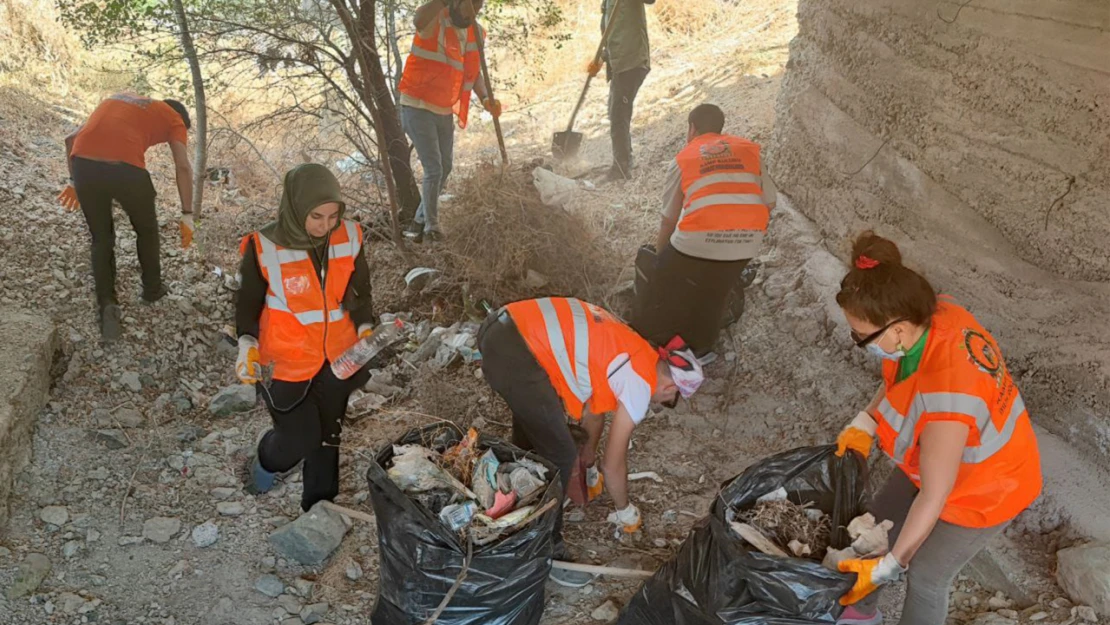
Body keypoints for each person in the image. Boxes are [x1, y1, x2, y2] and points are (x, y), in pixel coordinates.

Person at [831, 232, 1042, 625]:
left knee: (927, 575)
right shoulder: (933, 315)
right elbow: (901, 379)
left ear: (895, 329)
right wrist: (867, 419)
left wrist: (893, 563)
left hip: (988, 488)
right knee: (875, 528)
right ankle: (858, 615)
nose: (859, 342)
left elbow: (935, 493)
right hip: (937, 457)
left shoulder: (947, 397)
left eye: (861, 338)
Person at [477, 297, 704, 586]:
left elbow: (593, 412)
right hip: (519, 351)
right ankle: (548, 552)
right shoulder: (639, 383)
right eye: (666, 401)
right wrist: (625, 511)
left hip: (502, 329)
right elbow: (615, 464)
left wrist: (589, 461)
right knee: (559, 456)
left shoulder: (634, 348)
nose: (656, 403)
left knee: (532, 437)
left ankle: (508, 506)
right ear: (670, 386)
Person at [234, 164, 376, 513]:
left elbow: (359, 294)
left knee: (328, 436)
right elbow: (247, 302)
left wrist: (365, 329)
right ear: (296, 207)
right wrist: (246, 344)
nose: (326, 225)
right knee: (300, 436)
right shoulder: (263, 245)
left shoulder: (350, 236)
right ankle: (267, 462)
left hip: (339, 356)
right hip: (287, 361)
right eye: (316, 216)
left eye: (333, 216)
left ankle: (318, 508)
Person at [631, 103, 777, 360]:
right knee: (715, 293)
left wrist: (661, 259)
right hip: (748, 241)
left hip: (695, 243)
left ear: (692, 128)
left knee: (666, 282)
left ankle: (655, 340)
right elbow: (770, 202)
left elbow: (669, 219)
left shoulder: (685, 158)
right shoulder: (749, 151)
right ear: (721, 128)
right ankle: (702, 350)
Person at [58, 94, 195, 342]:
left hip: (83, 164)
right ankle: (152, 290)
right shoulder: (174, 119)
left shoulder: (118, 99)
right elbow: (183, 166)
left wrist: (73, 181)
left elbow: (70, 139)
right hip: (126, 168)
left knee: (101, 238)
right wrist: (187, 214)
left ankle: (108, 308)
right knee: (146, 230)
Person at [399, 0, 502, 243]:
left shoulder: (476, 32)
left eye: (478, 7)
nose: (472, 12)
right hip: (416, 105)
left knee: (446, 166)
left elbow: (474, 72)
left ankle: (419, 222)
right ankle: (431, 229)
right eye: (469, 5)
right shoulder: (435, 17)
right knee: (434, 168)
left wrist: (487, 98)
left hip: (443, 108)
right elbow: (418, 19)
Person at [588, 0, 655, 180]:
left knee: (618, 115)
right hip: (618, 64)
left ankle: (621, 168)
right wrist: (601, 59)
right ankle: (624, 160)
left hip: (631, 61)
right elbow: (611, 33)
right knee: (615, 112)